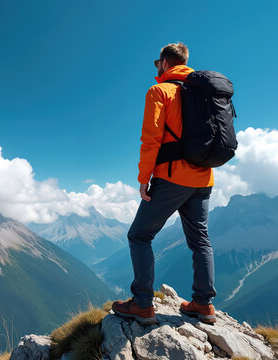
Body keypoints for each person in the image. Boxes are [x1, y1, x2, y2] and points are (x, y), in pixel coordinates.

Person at [111, 42, 217, 326]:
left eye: (156, 63)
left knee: (140, 236)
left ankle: (143, 304)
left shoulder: (160, 91)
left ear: (165, 63)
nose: (156, 68)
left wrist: (144, 178)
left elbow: (151, 139)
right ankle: (203, 305)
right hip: (204, 178)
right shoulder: (205, 93)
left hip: (171, 176)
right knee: (200, 240)